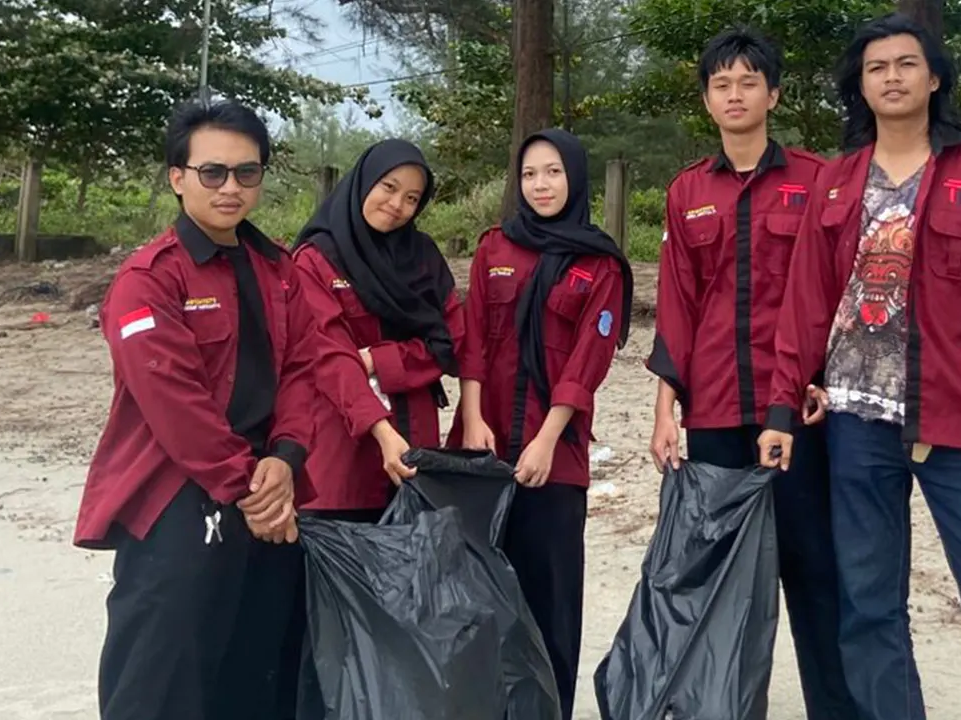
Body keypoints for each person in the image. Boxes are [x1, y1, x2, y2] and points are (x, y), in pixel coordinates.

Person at [757, 13, 961, 720]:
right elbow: (806, 303)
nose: (890, 77)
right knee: (868, 606)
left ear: (934, 79)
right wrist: (781, 407)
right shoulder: (837, 183)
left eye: (905, 64)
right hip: (856, 425)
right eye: (876, 68)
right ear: (860, 87)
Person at [73, 99, 343, 720]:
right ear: (178, 177)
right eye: (212, 172)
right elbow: (174, 403)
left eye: (247, 172)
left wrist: (285, 457)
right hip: (180, 498)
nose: (230, 187)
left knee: (257, 674)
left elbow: (303, 368)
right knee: (162, 678)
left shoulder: (280, 270)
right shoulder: (148, 279)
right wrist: (249, 487)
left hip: (269, 494)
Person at [646, 27, 858, 720]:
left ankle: (835, 707)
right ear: (707, 100)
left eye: (747, 82)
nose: (734, 95)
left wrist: (822, 376)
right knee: (720, 578)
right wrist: (664, 410)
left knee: (812, 567)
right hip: (711, 413)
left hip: (794, 410)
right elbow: (677, 306)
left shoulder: (816, 179)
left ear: (774, 95)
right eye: (721, 84)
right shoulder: (687, 191)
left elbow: (837, 290)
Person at [449, 128, 633, 720]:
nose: (541, 185)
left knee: (550, 603)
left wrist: (546, 439)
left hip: (555, 458)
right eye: (529, 174)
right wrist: (471, 418)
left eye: (553, 172)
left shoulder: (598, 263)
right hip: (484, 450)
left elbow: (586, 363)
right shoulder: (495, 247)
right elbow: (474, 338)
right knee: (478, 602)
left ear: (574, 178)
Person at [292, 138, 464, 519]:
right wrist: (382, 431)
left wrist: (377, 359)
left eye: (411, 198)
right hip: (342, 460)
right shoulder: (316, 260)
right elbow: (330, 357)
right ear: (365, 180)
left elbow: (451, 339)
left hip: (415, 452)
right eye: (389, 187)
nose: (397, 204)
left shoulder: (423, 258)